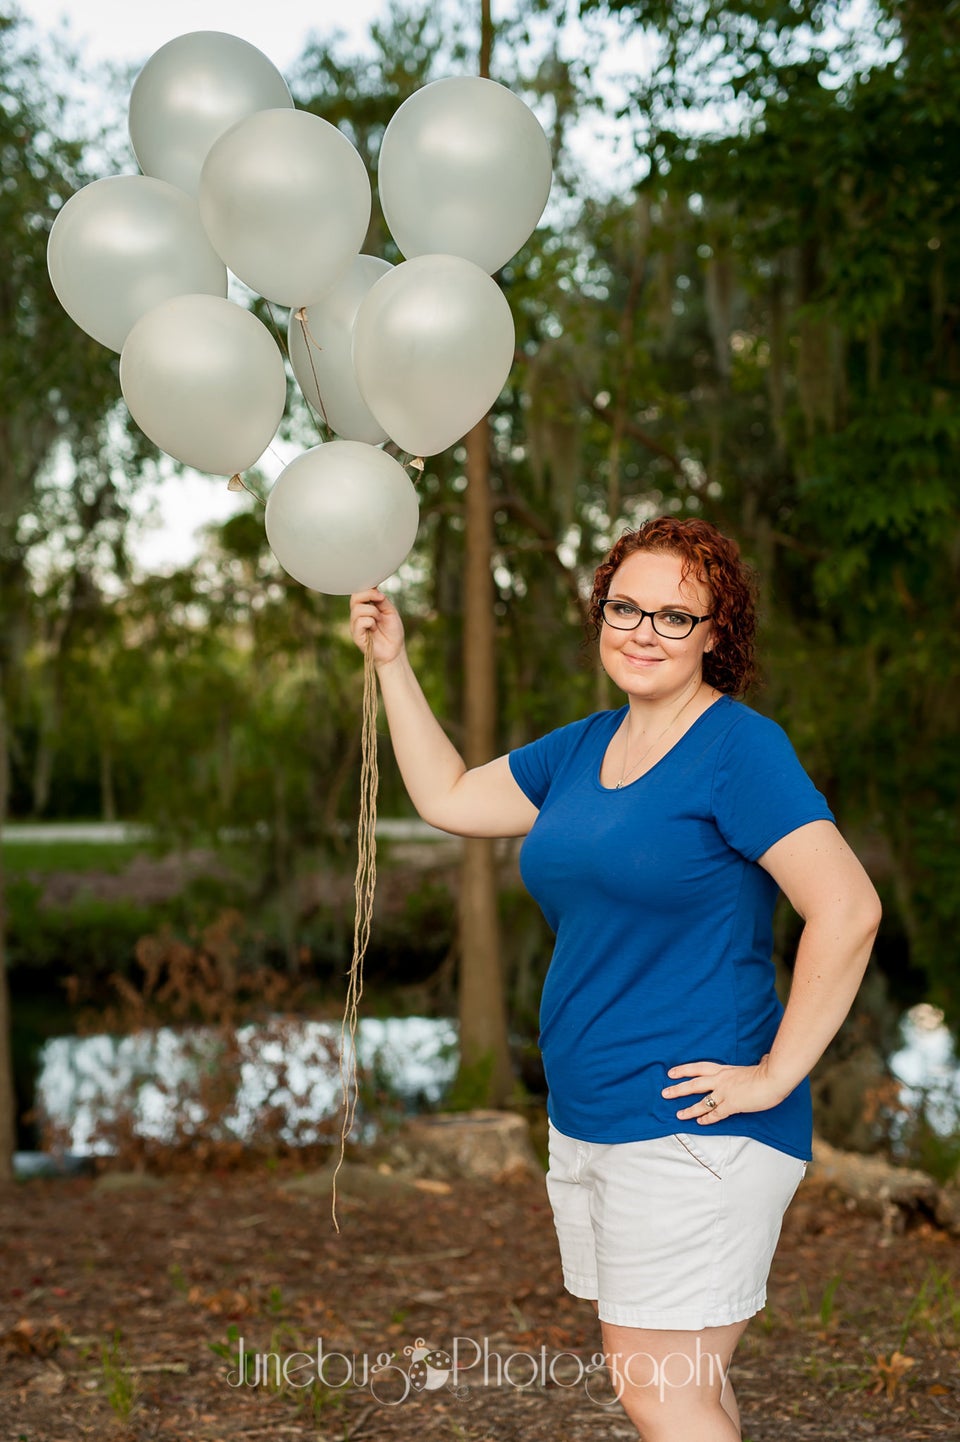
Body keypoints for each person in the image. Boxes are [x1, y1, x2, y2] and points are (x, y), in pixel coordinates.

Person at [349, 516, 881, 1442]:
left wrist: (775, 1074)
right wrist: (393, 661)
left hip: (693, 1131)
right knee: (691, 1389)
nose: (643, 630)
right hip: (593, 1120)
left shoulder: (737, 751)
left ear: (718, 633)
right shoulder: (584, 747)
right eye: (625, 606)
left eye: (676, 616)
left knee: (659, 1392)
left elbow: (848, 908)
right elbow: (448, 797)